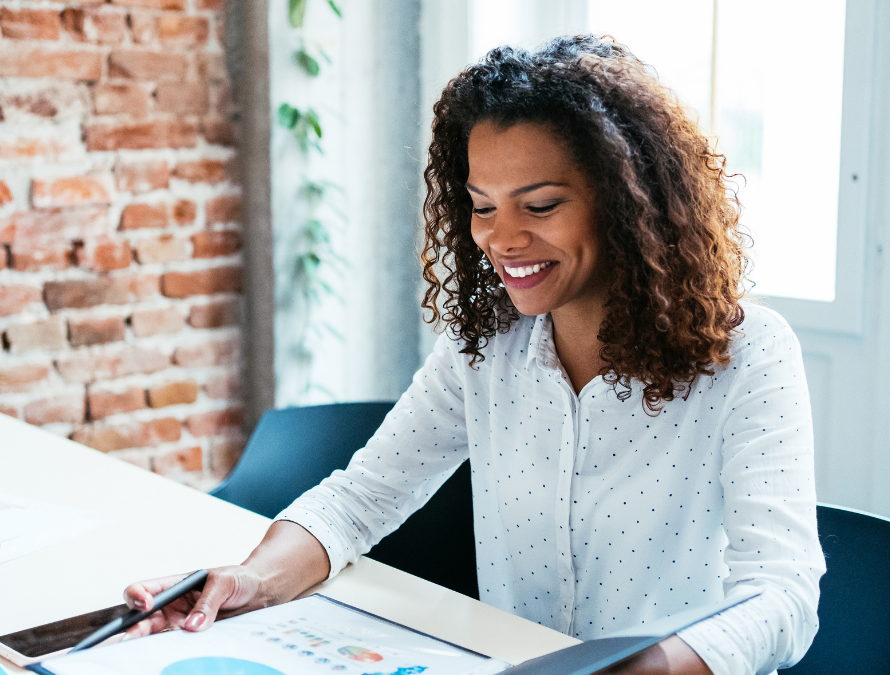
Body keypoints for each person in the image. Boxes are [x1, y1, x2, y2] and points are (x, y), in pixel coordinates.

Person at [123, 35, 825, 675]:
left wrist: (650, 666)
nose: (501, 237)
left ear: (624, 201)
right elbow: (362, 497)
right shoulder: (487, 347)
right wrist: (253, 578)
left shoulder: (747, 354)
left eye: (541, 205)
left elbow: (782, 593)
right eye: (482, 205)